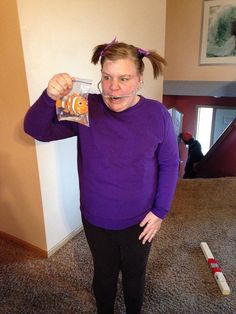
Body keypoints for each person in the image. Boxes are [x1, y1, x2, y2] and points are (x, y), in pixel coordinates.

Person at [24, 38, 179, 314]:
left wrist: (160, 211)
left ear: (140, 80)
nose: (113, 87)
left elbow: (168, 164)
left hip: (140, 220)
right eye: (107, 77)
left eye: (124, 78)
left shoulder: (157, 114)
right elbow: (37, 129)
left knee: (134, 276)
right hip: (96, 219)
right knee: (104, 274)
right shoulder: (85, 106)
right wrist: (49, 96)